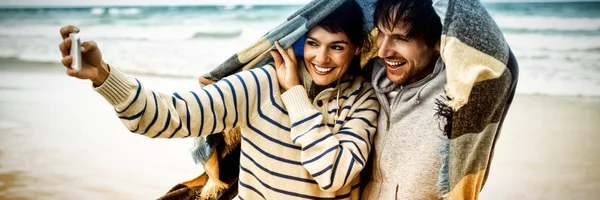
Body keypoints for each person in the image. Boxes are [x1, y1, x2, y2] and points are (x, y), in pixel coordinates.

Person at [58, 0, 379, 199]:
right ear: (299, 43)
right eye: (313, 43)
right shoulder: (261, 84)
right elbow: (173, 115)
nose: (321, 57)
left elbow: (334, 177)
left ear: (356, 49)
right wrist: (102, 75)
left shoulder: (363, 100)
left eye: (336, 46)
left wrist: (295, 94)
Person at [360, 0, 514, 199]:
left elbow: (493, 48)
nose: (382, 51)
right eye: (381, 32)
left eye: (400, 38)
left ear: (438, 42)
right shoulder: (367, 78)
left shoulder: (464, 94)